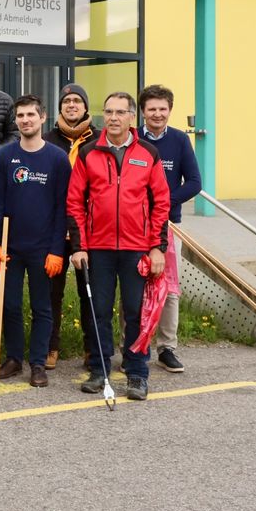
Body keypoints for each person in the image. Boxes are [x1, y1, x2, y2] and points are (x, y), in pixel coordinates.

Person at [68, 91, 170, 402]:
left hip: (136, 249)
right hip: (97, 249)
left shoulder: (148, 153)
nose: (113, 118)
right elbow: (74, 203)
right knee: (97, 311)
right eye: (108, 112)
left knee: (135, 312)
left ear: (130, 117)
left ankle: (137, 373)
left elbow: (161, 204)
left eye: (120, 112)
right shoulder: (88, 153)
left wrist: (157, 247)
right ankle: (100, 370)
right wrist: (78, 246)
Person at [0, 96, 71, 387]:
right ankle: (13, 357)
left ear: (43, 118)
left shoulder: (57, 158)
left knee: (42, 307)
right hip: (10, 246)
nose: (25, 120)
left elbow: (63, 207)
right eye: (21, 116)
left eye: (31, 115)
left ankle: (37, 362)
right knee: (9, 305)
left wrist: (57, 250)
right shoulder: (3, 156)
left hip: (43, 248)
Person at [138, 84, 202, 374]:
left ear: (170, 111)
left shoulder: (178, 140)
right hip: (132, 224)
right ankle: (136, 344)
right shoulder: (131, 138)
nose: (157, 114)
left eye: (163, 109)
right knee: (133, 287)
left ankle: (167, 348)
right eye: (152, 108)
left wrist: (163, 203)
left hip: (166, 224)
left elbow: (194, 183)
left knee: (168, 289)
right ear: (143, 111)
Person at [41, 82, 98, 370]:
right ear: (59, 107)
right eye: (67, 101)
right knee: (51, 292)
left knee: (89, 291)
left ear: (85, 106)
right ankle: (50, 347)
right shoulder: (47, 140)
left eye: (77, 100)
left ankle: (92, 349)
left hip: (89, 229)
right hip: (54, 228)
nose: (72, 105)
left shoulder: (98, 140)